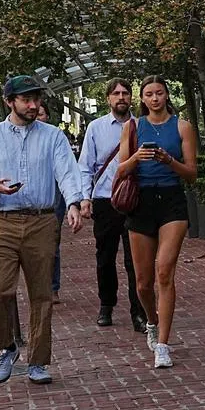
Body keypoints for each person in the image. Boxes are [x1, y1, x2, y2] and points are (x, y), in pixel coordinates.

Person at [0, 75, 86, 385]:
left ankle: (38, 361)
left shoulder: (54, 136)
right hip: (0, 221)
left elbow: (67, 172)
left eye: (37, 99)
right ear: (10, 101)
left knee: (41, 295)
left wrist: (74, 203)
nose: (34, 105)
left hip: (42, 221)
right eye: (26, 99)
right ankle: (8, 346)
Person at [115, 75, 197, 369]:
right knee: (143, 284)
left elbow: (191, 173)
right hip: (141, 202)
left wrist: (168, 161)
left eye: (159, 93)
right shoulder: (133, 127)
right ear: (142, 98)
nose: (154, 99)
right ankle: (151, 321)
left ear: (166, 95)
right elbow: (121, 171)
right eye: (149, 94)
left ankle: (163, 344)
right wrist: (138, 157)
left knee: (164, 271)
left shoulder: (182, 126)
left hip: (172, 201)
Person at [78, 78, 145, 331]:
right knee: (105, 257)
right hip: (105, 200)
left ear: (131, 97)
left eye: (125, 93)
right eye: (116, 93)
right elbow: (85, 167)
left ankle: (138, 312)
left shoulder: (142, 126)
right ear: (108, 98)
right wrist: (85, 198)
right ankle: (106, 305)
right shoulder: (96, 128)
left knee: (135, 259)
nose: (121, 97)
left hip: (135, 201)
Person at [37, 103, 67, 304]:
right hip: (30, 199)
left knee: (52, 241)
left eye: (41, 113)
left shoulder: (55, 137)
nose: (38, 117)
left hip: (54, 193)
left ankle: (52, 286)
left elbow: (66, 170)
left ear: (47, 116)